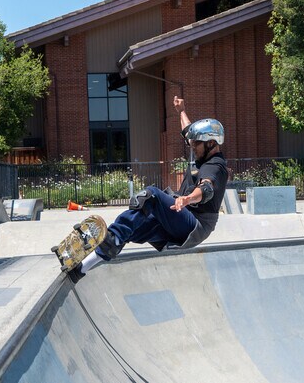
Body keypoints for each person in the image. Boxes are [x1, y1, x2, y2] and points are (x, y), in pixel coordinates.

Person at [69, 95, 228, 283]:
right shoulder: (200, 149)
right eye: (191, 143)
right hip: (179, 220)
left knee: (150, 195)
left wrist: (187, 199)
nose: (191, 146)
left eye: (196, 144)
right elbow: (187, 130)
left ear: (211, 143)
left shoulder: (215, 166)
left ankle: (113, 236)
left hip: (195, 224)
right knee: (132, 228)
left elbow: (206, 188)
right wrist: (181, 110)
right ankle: (82, 268)